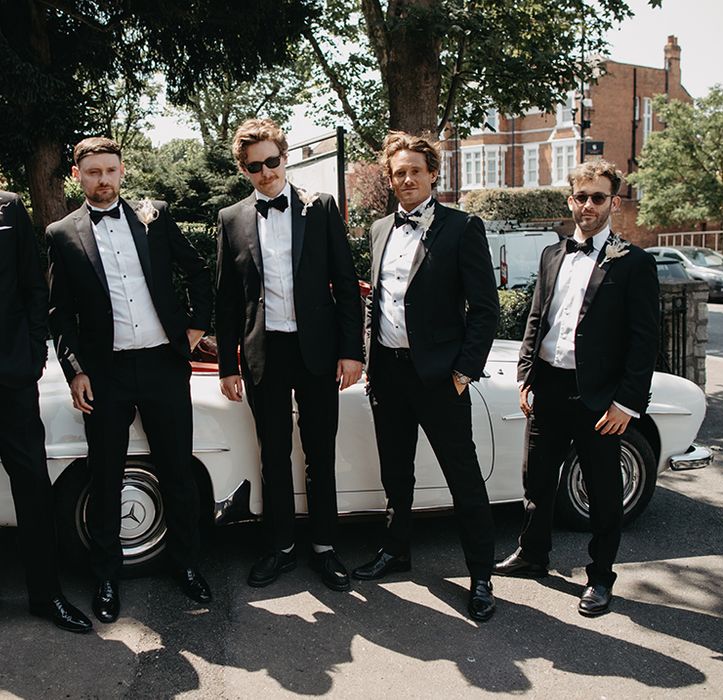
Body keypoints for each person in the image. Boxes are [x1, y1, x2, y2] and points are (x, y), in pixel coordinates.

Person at [47, 137, 214, 624]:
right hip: (105, 373)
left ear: (122, 171)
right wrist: (75, 369)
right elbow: (60, 315)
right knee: (105, 476)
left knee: (177, 471)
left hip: (163, 363)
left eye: (110, 170)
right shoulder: (62, 232)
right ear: (78, 175)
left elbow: (198, 271)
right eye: (93, 171)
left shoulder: (154, 215)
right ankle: (105, 576)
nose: (103, 179)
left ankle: (185, 565)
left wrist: (196, 327)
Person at [494, 160, 659, 617]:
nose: (588, 205)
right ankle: (533, 554)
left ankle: (601, 578)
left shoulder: (634, 263)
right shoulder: (553, 254)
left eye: (598, 197)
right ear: (570, 200)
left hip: (601, 399)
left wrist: (628, 402)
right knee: (537, 481)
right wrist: (526, 373)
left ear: (614, 203)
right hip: (548, 386)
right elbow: (536, 318)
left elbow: (645, 342)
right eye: (581, 197)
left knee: (604, 493)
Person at [351, 132, 500, 622]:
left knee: (464, 477)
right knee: (396, 474)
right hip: (388, 377)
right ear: (390, 178)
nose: (407, 179)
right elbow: (379, 302)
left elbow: (484, 309)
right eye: (398, 172)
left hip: (440, 378)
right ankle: (396, 551)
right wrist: (372, 365)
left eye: (415, 170)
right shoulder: (378, 230)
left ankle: (481, 574)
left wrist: (463, 372)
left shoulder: (462, 227)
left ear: (433, 174)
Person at [216, 118, 364, 592]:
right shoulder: (231, 219)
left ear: (286, 155)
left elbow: (345, 284)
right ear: (245, 169)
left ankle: (324, 546)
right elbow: (225, 300)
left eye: (272, 161)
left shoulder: (319, 207)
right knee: (273, 454)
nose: (266, 173)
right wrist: (226, 363)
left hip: (317, 350)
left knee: (320, 450)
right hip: (265, 352)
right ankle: (279, 547)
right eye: (255, 166)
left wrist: (351, 352)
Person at [0, 191, 92, 633]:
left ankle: (46, 595)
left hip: (12, 376)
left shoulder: (8, 206)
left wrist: (34, 351)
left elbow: (34, 285)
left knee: (33, 485)